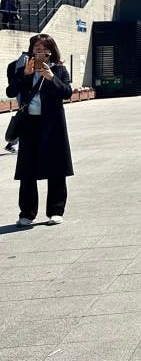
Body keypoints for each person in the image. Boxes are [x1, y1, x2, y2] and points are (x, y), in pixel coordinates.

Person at [10, 33, 74, 227]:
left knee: (56, 166)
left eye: (44, 49)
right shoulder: (19, 68)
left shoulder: (59, 70)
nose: (40, 53)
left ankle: (56, 210)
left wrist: (52, 77)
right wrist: (25, 75)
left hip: (53, 124)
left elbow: (67, 93)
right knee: (27, 169)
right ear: (31, 51)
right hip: (29, 123)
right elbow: (10, 92)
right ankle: (27, 213)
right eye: (36, 49)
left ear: (50, 51)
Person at [4, 50, 28, 152]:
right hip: (24, 95)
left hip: (20, 95)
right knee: (24, 119)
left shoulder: (12, 65)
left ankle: (12, 143)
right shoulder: (24, 63)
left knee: (23, 118)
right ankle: (12, 143)